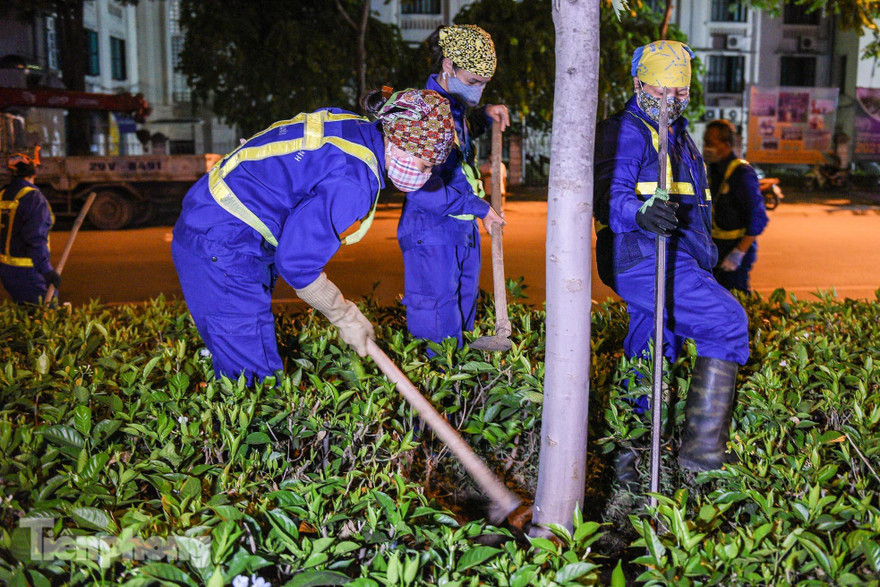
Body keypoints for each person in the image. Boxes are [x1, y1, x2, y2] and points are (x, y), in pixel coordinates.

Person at [172, 89, 456, 382]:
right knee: (254, 381)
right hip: (222, 245)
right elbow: (297, 264)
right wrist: (344, 315)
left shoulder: (351, 125)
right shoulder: (353, 180)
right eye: (425, 164)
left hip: (211, 224)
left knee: (238, 362)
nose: (426, 173)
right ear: (398, 145)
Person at [593, 41, 750, 476]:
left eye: (679, 92)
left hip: (677, 257)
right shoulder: (627, 130)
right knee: (728, 323)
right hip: (646, 255)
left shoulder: (678, 136)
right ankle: (702, 462)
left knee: (650, 351)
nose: (671, 100)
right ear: (638, 82)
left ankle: (629, 470)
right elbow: (610, 193)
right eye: (660, 91)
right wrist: (639, 213)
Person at [397, 24, 506, 350]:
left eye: (485, 85)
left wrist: (485, 115)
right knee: (438, 334)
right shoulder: (423, 112)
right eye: (474, 82)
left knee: (462, 319)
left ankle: (461, 401)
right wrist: (479, 207)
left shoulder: (453, 107)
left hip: (460, 231)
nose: (479, 91)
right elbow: (419, 189)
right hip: (431, 233)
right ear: (448, 66)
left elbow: (457, 143)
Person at [703, 119, 769, 293]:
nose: (706, 147)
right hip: (715, 251)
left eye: (710, 143)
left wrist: (739, 252)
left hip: (734, 251)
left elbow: (758, 217)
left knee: (735, 299)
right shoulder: (713, 170)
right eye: (705, 143)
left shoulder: (741, 172)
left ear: (726, 145)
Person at [0, 146, 60, 304]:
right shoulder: (33, 197)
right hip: (30, 273)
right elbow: (35, 239)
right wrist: (47, 272)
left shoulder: (3, 195)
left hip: (7, 271)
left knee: (25, 320)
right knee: (47, 316)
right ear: (34, 171)